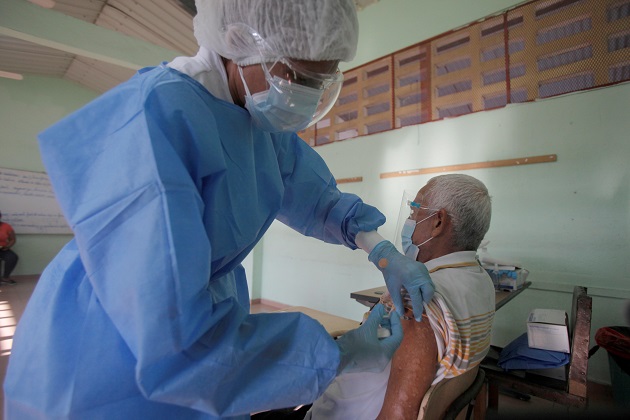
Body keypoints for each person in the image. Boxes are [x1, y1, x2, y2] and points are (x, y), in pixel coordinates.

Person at [3, 1, 433, 418]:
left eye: (320, 82)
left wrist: (379, 249)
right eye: (296, 76)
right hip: (112, 346)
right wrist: (337, 353)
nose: (304, 95)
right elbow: (177, 345)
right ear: (237, 39)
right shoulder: (156, 121)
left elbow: (312, 194)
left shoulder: (253, 115)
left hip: (200, 322)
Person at [305, 174, 495, 419]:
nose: (409, 219)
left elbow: (399, 415)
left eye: (414, 210)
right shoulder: (482, 280)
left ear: (438, 222)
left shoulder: (416, 301)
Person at [0, 211, 19, 285]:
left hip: (3, 248)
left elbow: (12, 239)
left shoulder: (6, 226)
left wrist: (7, 246)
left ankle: (5, 278)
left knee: (13, 257)